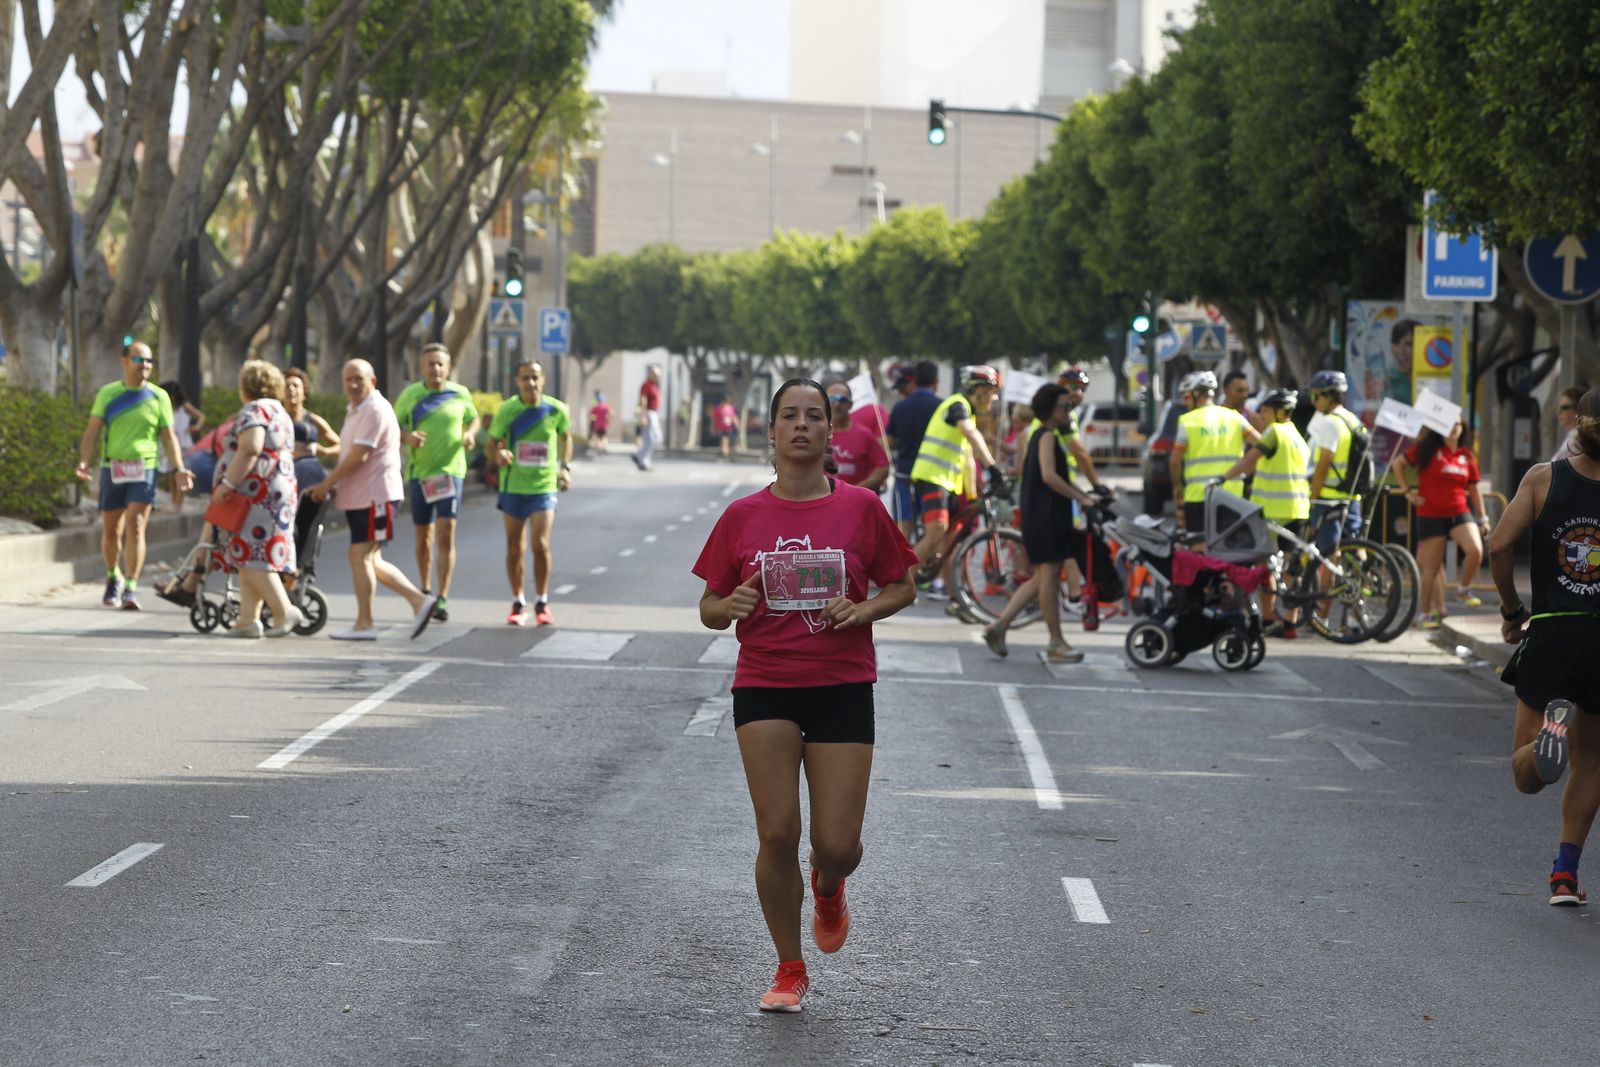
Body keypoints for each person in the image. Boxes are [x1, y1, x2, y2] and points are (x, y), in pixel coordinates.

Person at [691, 377, 918, 1013]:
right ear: (770, 431)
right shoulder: (742, 517)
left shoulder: (861, 509)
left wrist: (863, 608)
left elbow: (903, 586)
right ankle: (789, 967)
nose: (800, 425)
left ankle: (830, 884)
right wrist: (726, 605)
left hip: (843, 683)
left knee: (838, 845)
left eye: (813, 416)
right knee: (775, 833)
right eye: (788, 416)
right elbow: (709, 605)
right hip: (765, 681)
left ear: (828, 432)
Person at [1489, 387, 1600, 907]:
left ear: (1576, 425)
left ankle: (1546, 740)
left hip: (1553, 630)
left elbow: (1498, 545)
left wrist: (1513, 611)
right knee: (1593, 762)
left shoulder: (1542, 477)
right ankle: (1564, 874)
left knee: (1525, 775)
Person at [306, 359, 437, 641]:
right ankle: (417, 602)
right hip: (360, 497)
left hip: (375, 495)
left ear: (373, 381)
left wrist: (326, 483)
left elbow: (358, 456)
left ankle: (367, 622)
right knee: (370, 559)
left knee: (360, 555)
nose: (353, 385)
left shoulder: (375, 409)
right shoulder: (357, 409)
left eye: (359, 379)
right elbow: (348, 450)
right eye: (349, 379)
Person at [982, 383, 1098, 664]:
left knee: (1040, 578)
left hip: (1042, 515)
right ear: (1049, 409)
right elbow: (1049, 476)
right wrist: (1082, 497)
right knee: (1048, 577)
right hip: (1046, 517)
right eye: (1063, 406)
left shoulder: (1040, 434)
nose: (1068, 411)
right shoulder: (1046, 436)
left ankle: (999, 627)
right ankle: (1056, 642)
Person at [75, 343, 193, 610]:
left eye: (149, 361)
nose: (145, 365)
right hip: (112, 469)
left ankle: (130, 586)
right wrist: (84, 461)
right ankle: (112, 576)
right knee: (111, 531)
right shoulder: (108, 394)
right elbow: (92, 431)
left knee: (137, 524)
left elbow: (169, 436)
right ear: (124, 361)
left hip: (145, 469)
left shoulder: (159, 396)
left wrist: (179, 468)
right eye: (139, 359)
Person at [207, 360, 303, 638]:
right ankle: (247, 620)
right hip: (277, 491)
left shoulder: (255, 409)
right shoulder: (280, 412)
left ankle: (284, 611)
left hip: (257, 494)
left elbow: (250, 447)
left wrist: (227, 483)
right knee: (249, 553)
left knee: (253, 557)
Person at [394, 343, 479, 623]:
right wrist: (407, 438)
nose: (436, 369)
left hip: (451, 471)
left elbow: (474, 419)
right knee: (424, 536)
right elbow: (393, 427)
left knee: (446, 532)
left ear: (448, 367)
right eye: (430, 364)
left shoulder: (459, 393)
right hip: (421, 474)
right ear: (422, 367)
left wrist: (469, 434)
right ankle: (426, 589)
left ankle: (442, 596)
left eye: (441, 364)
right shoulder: (411, 395)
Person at [907, 365, 1007, 600]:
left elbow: (968, 459)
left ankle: (958, 600)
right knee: (936, 534)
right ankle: (901, 583)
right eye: (992, 391)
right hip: (932, 477)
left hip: (948, 483)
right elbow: (971, 434)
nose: (995, 397)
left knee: (953, 539)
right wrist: (993, 466)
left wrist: (974, 494)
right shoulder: (957, 405)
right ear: (979, 389)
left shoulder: (968, 412)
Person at [487, 360, 572, 626]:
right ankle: (518, 601)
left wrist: (564, 468)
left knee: (540, 544)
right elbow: (491, 443)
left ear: (543, 380)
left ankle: (542, 601)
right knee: (515, 547)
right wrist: (498, 453)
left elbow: (566, 437)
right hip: (513, 486)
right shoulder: (508, 410)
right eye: (525, 378)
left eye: (535, 377)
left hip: (544, 487)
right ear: (517, 381)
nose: (531, 383)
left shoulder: (556, 410)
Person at [1221, 388, 1310, 637]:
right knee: (1292, 568)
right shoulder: (1298, 437)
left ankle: (1269, 618)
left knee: (1263, 565)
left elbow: (1251, 458)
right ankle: (1290, 624)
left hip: (1271, 511)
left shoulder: (1275, 432)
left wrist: (1223, 477)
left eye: (1267, 410)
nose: (1263, 415)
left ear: (1281, 412)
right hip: (1298, 509)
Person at [1395, 419, 1489, 628]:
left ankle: (1463, 589)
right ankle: (1425, 614)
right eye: (1449, 424)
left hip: (1459, 512)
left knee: (1475, 550)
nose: (1453, 428)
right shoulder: (1428, 450)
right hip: (1430, 514)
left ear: (1463, 428)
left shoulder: (1466, 456)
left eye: (1457, 424)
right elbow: (1398, 464)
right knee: (1432, 567)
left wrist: (1483, 518)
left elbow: (1474, 490)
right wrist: (1407, 492)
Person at [1169, 370, 1259, 535]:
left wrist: (1178, 487)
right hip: (1232, 497)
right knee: (1228, 548)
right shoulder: (1235, 417)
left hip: (1198, 497)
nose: (1185, 402)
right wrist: (1249, 466)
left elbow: (1175, 462)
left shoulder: (1188, 421)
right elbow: (1262, 445)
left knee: (1199, 547)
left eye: (1187, 397)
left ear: (1198, 394)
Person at [1305, 370, 1366, 559]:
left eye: (1316, 395)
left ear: (1329, 395)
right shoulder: (1351, 419)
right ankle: (1368, 581)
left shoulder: (1330, 423)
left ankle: (1326, 589)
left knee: (1329, 554)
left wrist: (1312, 498)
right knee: (1356, 544)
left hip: (1329, 498)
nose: (1313, 401)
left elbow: (1323, 466)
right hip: (1352, 495)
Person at [885, 360, 942, 543]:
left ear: (915, 380)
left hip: (904, 474)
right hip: (931, 476)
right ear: (936, 381)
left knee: (904, 526)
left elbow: (890, 441)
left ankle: (904, 568)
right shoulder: (941, 406)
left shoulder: (900, 407)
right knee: (933, 527)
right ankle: (932, 564)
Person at [822, 380, 890, 491]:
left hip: (854, 504)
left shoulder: (864, 434)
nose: (837, 404)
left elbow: (883, 469)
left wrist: (856, 491)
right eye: (832, 399)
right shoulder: (817, 434)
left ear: (850, 404)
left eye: (842, 400)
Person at [158, 379, 205, 508]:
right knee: (172, 475)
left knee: (180, 473)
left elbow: (201, 416)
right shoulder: (166, 407)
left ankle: (178, 502)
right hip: (170, 443)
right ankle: (174, 500)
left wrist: (196, 427)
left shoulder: (184, 406)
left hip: (183, 443)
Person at [633, 364, 663, 471]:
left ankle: (640, 457)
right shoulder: (647, 385)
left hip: (654, 413)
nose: (657, 376)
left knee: (651, 440)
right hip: (649, 413)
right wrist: (643, 416)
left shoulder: (655, 385)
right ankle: (643, 460)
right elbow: (643, 400)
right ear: (651, 374)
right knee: (654, 438)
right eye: (655, 374)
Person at [1552, 385, 1585, 462]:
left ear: (1577, 410)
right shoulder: (1572, 436)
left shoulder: (1579, 439)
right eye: (1559, 408)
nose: (1559, 412)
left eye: (1564, 408)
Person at [713, 395, 739, 460]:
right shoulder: (718, 408)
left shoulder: (730, 408)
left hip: (729, 428)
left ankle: (726, 454)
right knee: (723, 441)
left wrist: (737, 425)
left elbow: (734, 417)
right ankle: (724, 454)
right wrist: (714, 427)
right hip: (721, 428)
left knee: (728, 441)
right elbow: (715, 419)